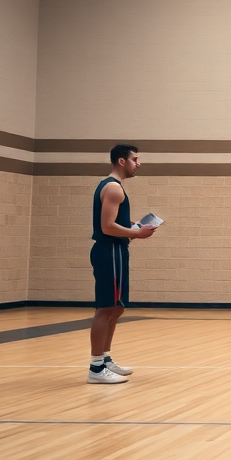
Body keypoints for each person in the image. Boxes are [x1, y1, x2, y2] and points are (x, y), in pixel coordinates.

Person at [88, 144, 158, 384]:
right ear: (121, 161)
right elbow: (107, 227)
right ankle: (96, 368)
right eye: (135, 159)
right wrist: (136, 234)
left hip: (117, 250)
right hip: (109, 251)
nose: (138, 163)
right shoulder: (113, 188)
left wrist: (133, 225)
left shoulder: (115, 188)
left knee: (117, 308)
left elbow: (115, 222)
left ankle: (105, 359)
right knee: (106, 308)